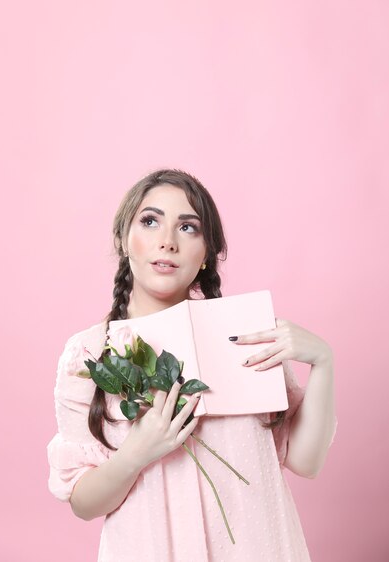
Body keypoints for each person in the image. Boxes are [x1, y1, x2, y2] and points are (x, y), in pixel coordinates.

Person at [47, 168, 336, 562]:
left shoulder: (245, 332)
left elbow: (304, 460)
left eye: (188, 228)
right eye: (150, 222)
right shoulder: (89, 354)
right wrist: (137, 452)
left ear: (207, 255)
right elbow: (83, 503)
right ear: (122, 239)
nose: (167, 242)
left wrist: (323, 363)